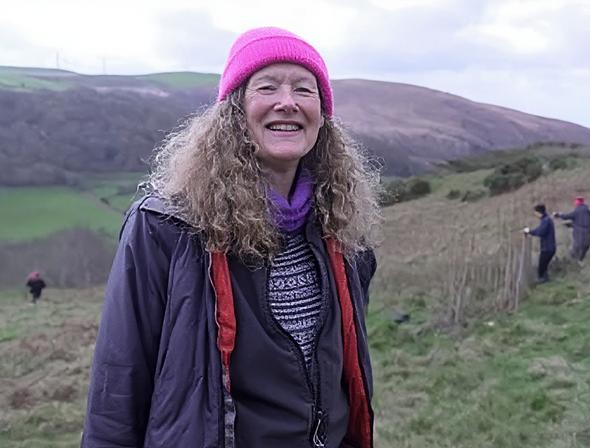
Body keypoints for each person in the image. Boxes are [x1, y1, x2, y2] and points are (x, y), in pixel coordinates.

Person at [82, 27, 381, 448]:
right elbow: (120, 382)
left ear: (322, 113)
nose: (287, 102)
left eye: (304, 89)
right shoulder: (168, 227)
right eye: (267, 86)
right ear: (235, 110)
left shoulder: (343, 229)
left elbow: (346, 373)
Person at [523, 204, 556, 283]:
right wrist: (530, 231)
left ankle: (542, 280)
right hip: (549, 247)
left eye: (535, 213)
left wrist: (529, 231)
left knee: (542, 266)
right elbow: (539, 230)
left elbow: (540, 232)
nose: (535, 215)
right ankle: (545, 279)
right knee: (544, 266)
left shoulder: (546, 221)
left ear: (539, 212)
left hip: (547, 248)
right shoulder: (546, 220)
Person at [554, 196, 590, 263]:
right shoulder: (588, 211)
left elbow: (566, 216)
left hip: (579, 234)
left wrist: (559, 215)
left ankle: (570, 262)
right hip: (587, 233)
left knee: (576, 248)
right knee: (584, 248)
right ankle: (580, 262)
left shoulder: (578, 210)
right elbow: (583, 223)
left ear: (577, 203)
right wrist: (572, 225)